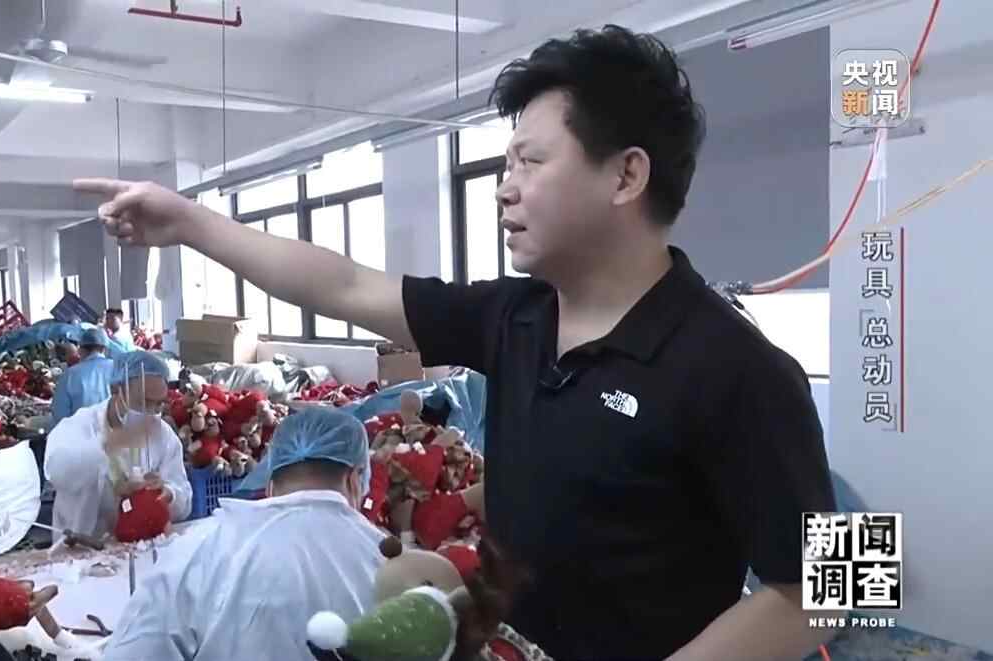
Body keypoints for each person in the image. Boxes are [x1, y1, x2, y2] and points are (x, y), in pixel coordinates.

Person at [77, 24, 841, 660]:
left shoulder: (740, 366)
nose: (505, 186)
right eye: (504, 163)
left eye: (530, 161)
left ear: (625, 176)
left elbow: (842, 584)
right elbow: (347, 285)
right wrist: (191, 224)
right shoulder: (515, 317)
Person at [103, 406, 385, 661]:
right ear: (354, 479)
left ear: (270, 485)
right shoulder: (390, 561)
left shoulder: (199, 550)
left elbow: (133, 652)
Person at [43, 350, 192, 540]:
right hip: (80, 544)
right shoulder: (78, 426)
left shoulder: (163, 435)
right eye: (144, 402)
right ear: (116, 389)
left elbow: (185, 503)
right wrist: (107, 447)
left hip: (137, 545)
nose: (152, 412)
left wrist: (168, 493)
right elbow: (57, 473)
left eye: (159, 405)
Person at [49, 328, 114, 429]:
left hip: (80, 434)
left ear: (80, 350)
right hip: (115, 434)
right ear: (104, 349)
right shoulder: (118, 369)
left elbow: (59, 415)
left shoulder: (70, 375)